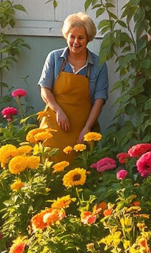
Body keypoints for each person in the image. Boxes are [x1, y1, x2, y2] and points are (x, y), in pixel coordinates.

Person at [37, 12, 109, 152]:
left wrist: (87, 128)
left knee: (82, 163)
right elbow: (45, 89)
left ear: (88, 39)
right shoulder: (54, 58)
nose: (76, 42)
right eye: (72, 37)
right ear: (66, 36)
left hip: (82, 129)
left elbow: (99, 100)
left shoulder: (98, 65)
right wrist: (58, 111)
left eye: (81, 38)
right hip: (54, 127)